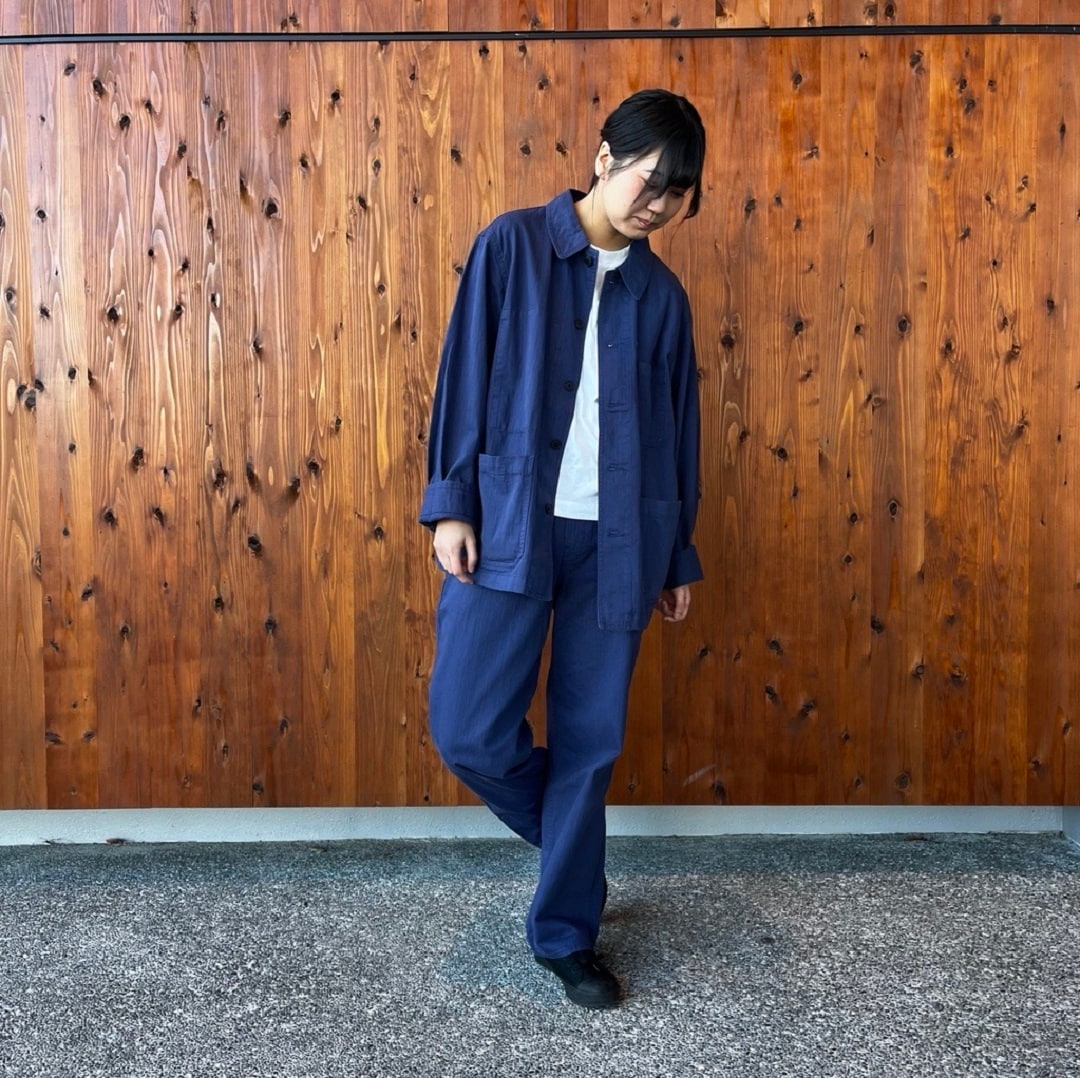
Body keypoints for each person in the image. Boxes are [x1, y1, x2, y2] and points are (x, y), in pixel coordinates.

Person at [419, 88, 706, 1010]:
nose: (657, 204)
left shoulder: (662, 298)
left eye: (677, 193)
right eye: (649, 180)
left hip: (622, 540)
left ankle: (566, 934)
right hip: (508, 521)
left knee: (589, 740)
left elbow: (678, 431)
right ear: (603, 157)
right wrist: (451, 504)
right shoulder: (512, 246)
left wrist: (676, 554)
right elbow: (464, 374)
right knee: (466, 727)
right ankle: (574, 853)